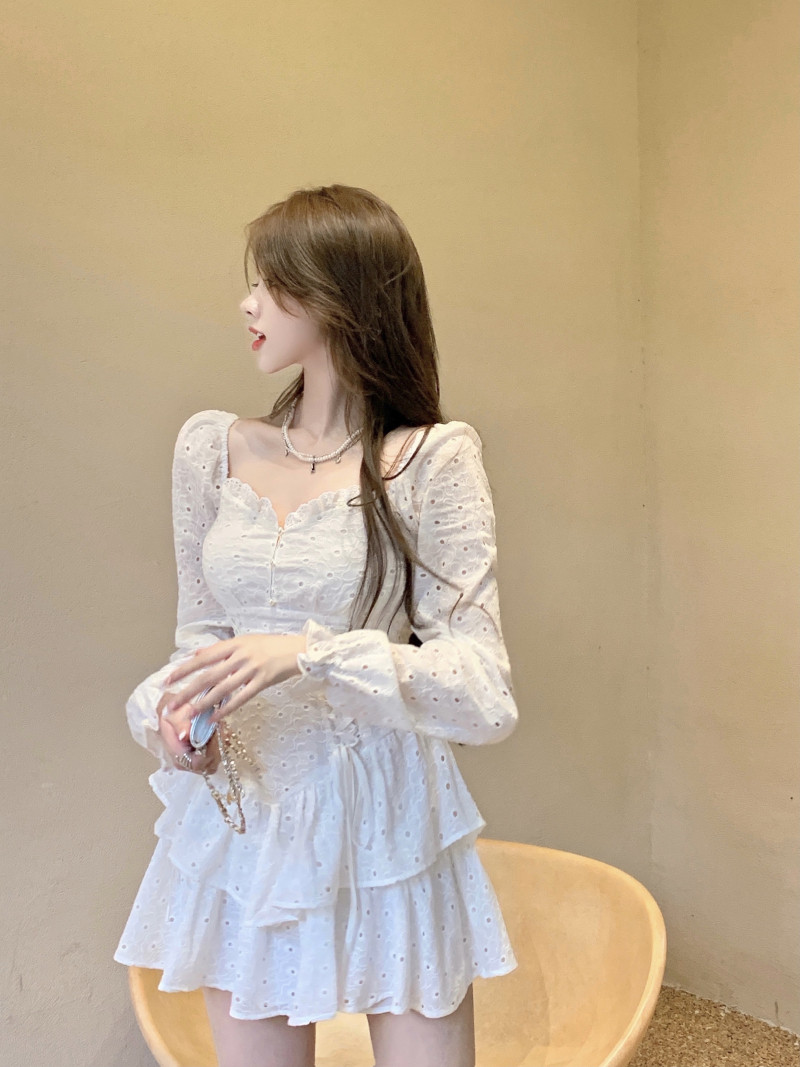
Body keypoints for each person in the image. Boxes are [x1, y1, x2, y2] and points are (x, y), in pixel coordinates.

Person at [113, 183, 519, 1067]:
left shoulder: (429, 459)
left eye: (271, 283)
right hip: (246, 824)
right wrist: (177, 722)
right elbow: (200, 641)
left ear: (338, 297)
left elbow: (484, 694)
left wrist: (313, 655)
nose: (247, 304)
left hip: (390, 824)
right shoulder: (211, 449)